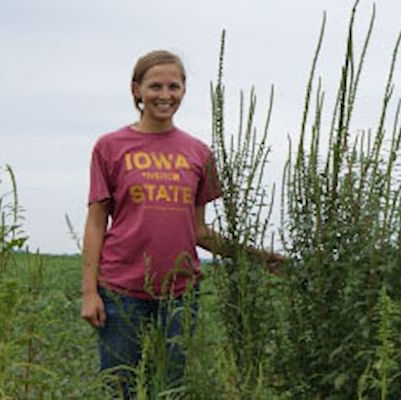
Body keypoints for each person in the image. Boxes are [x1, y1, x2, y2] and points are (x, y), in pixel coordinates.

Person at [80, 50, 284, 398]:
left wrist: (257, 256)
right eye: (155, 85)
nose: (165, 95)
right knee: (119, 388)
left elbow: (199, 232)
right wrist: (89, 292)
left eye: (173, 86)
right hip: (120, 292)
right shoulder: (110, 147)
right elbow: (97, 222)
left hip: (179, 295)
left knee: (171, 389)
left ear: (184, 90)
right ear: (136, 91)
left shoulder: (198, 153)